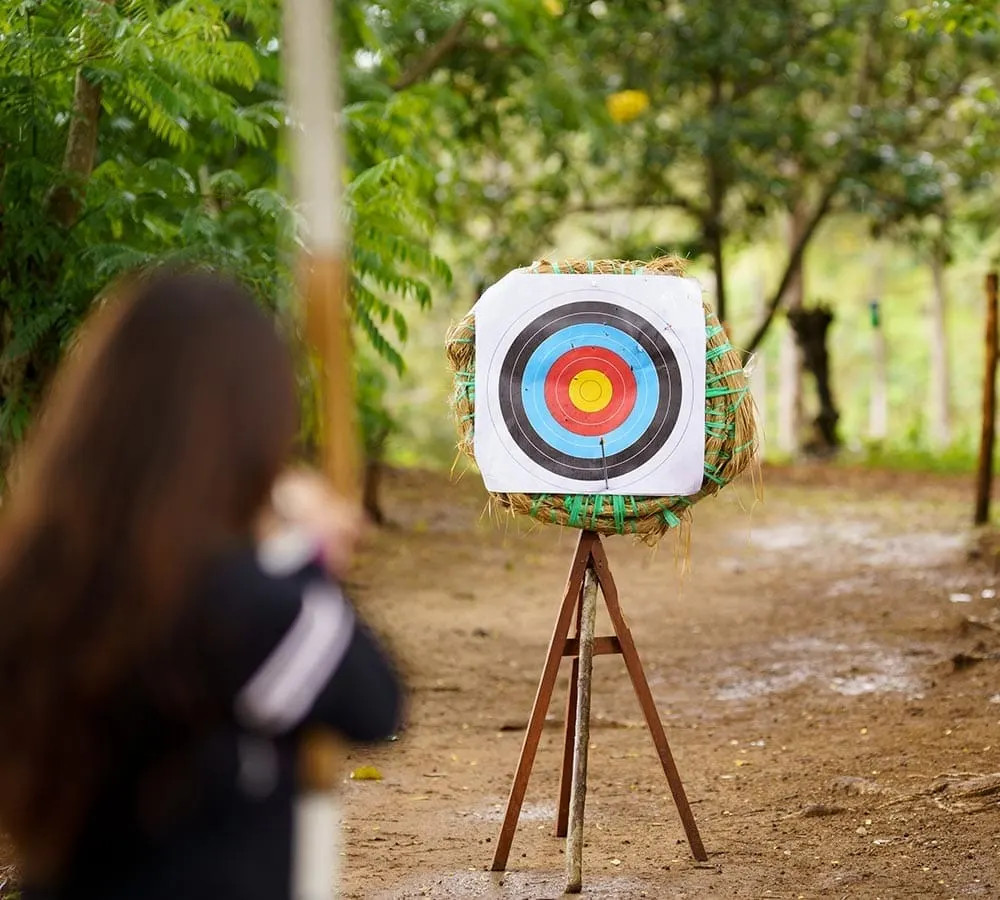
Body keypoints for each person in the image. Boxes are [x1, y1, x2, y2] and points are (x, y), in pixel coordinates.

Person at [0, 269, 402, 899]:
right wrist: (306, 548)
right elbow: (375, 703)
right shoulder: (237, 602)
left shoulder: (36, 576)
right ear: (240, 426)